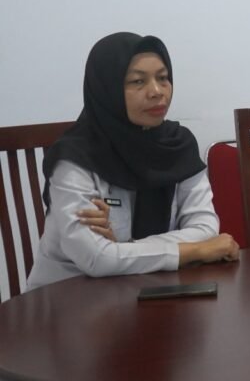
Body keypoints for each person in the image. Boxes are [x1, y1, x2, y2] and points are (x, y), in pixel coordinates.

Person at [27, 33, 239, 290]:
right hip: (65, 297)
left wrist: (122, 250)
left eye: (163, 78)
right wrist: (193, 251)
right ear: (107, 88)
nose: (157, 92)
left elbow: (205, 228)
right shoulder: (75, 158)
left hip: (150, 291)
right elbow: (94, 259)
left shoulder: (177, 146)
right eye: (138, 81)